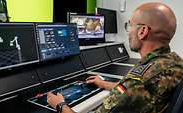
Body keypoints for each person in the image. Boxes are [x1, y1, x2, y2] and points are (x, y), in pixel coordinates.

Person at [47, 2, 183, 113]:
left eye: (129, 25)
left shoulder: (138, 81)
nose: (128, 31)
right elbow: (134, 92)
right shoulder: (175, 62)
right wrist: (104, 84)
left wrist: (60, 105)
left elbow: (133, 89)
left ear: (142, 31)